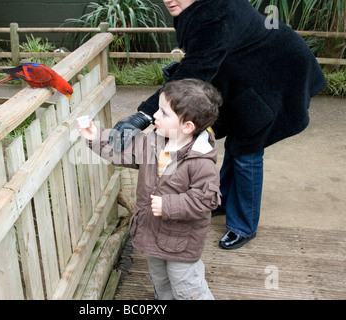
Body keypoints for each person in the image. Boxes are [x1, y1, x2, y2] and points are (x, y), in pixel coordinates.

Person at [108, 0, 327, 249]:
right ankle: (221, 201)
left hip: (275, 74)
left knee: (248, 148)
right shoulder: (197, 8)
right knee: (238, 138)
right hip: (246, 73)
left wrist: (144, 115)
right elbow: (207, 55)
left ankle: (243, 225)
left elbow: (194, 73)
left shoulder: (216, 14)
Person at [78, 78, 222, 300]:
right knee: (160, 279)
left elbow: (207, 200)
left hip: (181, 244)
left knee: (186, 285)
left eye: (164, 113)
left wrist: (170, 205)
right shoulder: (153, 142)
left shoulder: (200, 161)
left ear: (187, 126)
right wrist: (95, 136)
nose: (155, 115)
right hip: (153, 233)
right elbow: (122, 149)